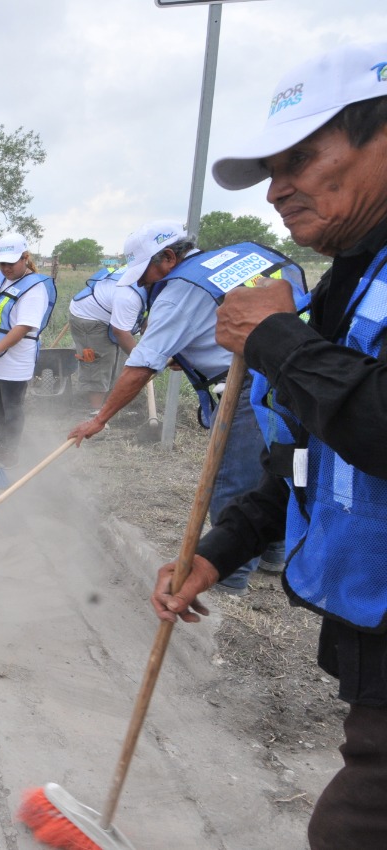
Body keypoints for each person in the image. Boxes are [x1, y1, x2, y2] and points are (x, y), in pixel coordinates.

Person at [152, 42, 387, 849]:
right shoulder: (350, 279)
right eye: (270, 169)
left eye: (302, 158)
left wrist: (281, 341)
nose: (280, 189)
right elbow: (310, 458)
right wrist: (222, 547)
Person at [67, 220, 294, 593]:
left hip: (250, 381)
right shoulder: (230, 261)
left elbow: (140, 365)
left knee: (233, 482)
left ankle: (228, 580)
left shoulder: (181, 289)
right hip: (289, 371)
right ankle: (274, 555)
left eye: (147, 273)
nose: (144, 283)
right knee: (277, 466)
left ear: (169, 257)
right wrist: (188, 355)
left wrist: (101, 419)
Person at [0, 232, 57, 466]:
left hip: (14, 357)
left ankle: (11, 450)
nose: (5, 268)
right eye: (2, 263)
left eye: (11, 263)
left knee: (12, 405)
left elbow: (23, 327)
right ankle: (0, 442)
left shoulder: (34, 288)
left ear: (25, 258)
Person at [67, 264, 146, 413]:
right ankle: (96, 412)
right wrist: (143, 361)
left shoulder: (151, 280)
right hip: (89, 317)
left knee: (121, 359)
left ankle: (113, 405)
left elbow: (146, 314)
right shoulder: (129, 295)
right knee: (99, 360)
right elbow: (121, 332)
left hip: (112, 312)